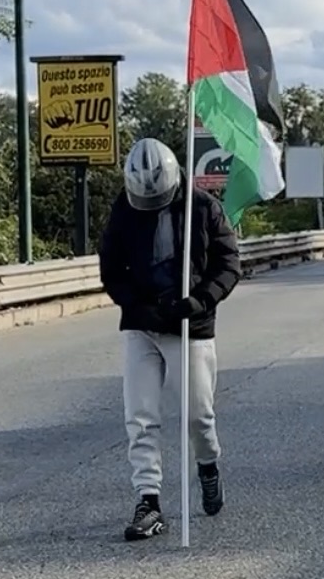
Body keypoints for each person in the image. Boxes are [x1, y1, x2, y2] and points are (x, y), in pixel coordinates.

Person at [99, 137, 241, 540]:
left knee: (198, 416)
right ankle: (149, 501)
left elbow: (229, 264)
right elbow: (111, 269)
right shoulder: (124, 209)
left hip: (190, 325)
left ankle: (208, 466)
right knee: (140, 416)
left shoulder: (204, 208)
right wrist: (134, 305)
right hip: (142, 325)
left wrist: (200, 301)